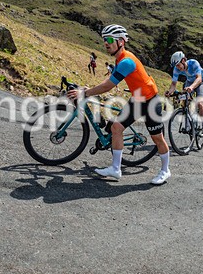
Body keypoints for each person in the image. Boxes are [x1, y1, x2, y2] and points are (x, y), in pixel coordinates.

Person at [68, 24, 171, 184]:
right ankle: (116, 169)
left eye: (109, 40)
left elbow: (108, 86)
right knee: (116, 128)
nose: (106, 43)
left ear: (121, 42)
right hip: (137, 99)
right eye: (104, 40)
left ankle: (165, 171)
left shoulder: (127, 61)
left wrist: (85, 93)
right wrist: (88, 89)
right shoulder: (120, 59)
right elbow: (110, 80)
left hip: (151, 101)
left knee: (157, 137)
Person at [165, 51, 203, 137]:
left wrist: (191, 87)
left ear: (183, 60)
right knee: (185, 101)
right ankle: (188, 125)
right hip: (189, 82)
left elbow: (199, 79)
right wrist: (170, 92)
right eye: (175, 66)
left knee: (200, 103)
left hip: (200, 82)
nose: (177, 67)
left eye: (178, 65)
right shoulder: (176, 69)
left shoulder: (194, 63)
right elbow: (174, 84)